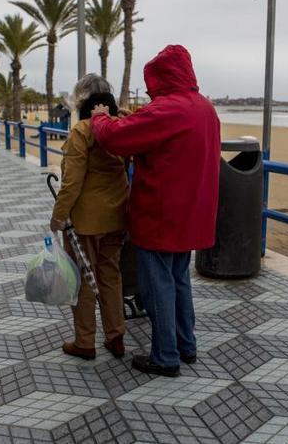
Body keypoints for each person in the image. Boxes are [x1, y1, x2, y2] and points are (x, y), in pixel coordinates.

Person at [90, 45, 221, 377]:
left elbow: (116, 138)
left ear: (162, 76)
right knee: (179, 279)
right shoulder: (205, 108)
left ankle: (165, 356)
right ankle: (185, 344)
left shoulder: (166, 109)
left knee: (157, 286)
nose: (149, 89)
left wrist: (100, 118)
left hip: (161, 215)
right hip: (192, 213)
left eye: (152, 81)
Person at [50, 74, 129, 360]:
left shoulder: (81, 131)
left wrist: (57, 217)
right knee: (110, 275)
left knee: (82, 280)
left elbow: (71, 183)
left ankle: (85, 341)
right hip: (117, 216)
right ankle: (116, 334)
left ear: (81, 100)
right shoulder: (118, 127)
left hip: (85, 222)